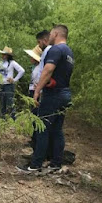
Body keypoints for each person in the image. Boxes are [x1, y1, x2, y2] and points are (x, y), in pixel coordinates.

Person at [18, 25, 74, 172]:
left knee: (42, 128)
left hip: (53, 94)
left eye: (50, 34)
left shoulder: (56, 49)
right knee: (57, 130)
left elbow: (48, 69)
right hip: (65, 93)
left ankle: (35, 164)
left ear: (55, 34)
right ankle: (56, 163)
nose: (48, 37)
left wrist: (37, 91)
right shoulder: (69, 52)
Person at [23, 45, 43, 149]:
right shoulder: (36, 67)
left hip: (36, 93)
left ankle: (36, 141)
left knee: (36, 117)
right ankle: (34, 139)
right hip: (33, 92)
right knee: (33, 117)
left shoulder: (40, 68)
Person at [0, 46, 25, 118]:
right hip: (1, 85)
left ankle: (13, 119)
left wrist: (14, 80)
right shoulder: (0, 63)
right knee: (2, 103)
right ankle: (3, 119)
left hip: (8, 85)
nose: (3, 56)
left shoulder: (12, 63)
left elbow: (22, 71)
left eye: (4, 54)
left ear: (7, 56)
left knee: (10, 103)